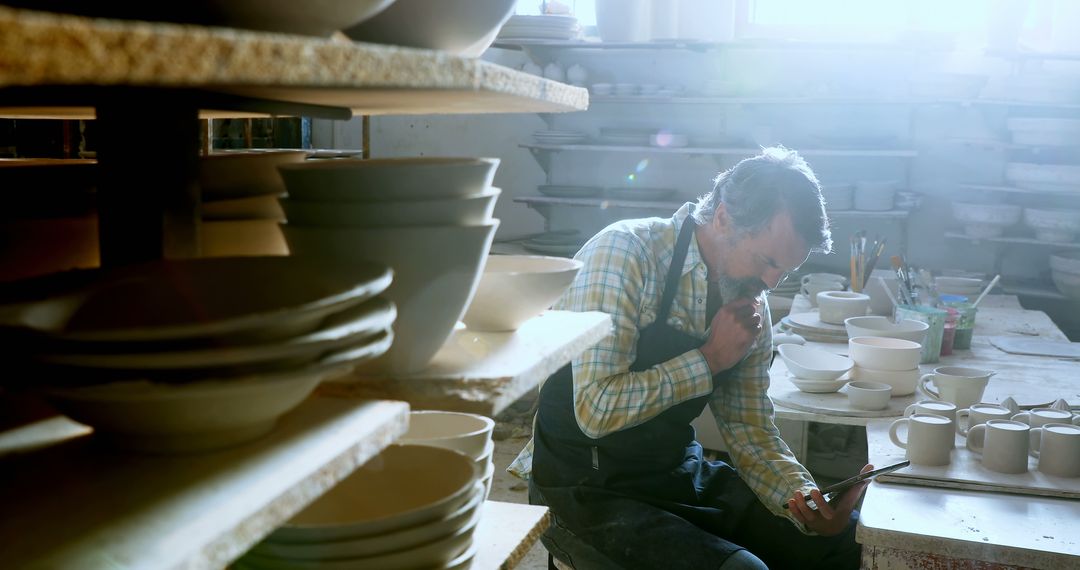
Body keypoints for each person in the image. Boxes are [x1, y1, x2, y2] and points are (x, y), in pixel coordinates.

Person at [509, 147, 873, 569]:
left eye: (786, 271)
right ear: (722, 218)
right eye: (768, 261)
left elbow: (749, 428)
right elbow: (595, 409)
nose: (772, 282)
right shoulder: (625, 253)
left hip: (674, 473)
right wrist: (708, 360)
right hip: (584, 491)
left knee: (850, 540)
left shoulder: (751, 296)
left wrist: (806, 504)